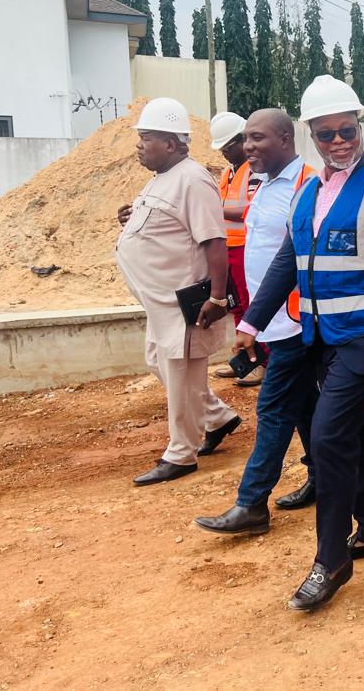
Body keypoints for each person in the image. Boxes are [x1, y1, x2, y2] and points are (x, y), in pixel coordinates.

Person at [233, 75, 364, 612]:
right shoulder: (307, 193)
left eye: (346, 131)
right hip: (321, 337)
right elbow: (288, 263)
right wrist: (252, 321)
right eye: (325, 134)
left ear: (359, 127)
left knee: (327, 438)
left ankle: (331, 558)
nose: (338, 141)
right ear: (311, 136)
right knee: (356, 433)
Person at [194, 109, 319, 535]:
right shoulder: (263, 185)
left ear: (286, 139)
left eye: (257, 139)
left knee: (273, 408)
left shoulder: (308, 186)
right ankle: (321, 477)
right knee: (303, 407)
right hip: (269, 321)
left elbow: (298, 259)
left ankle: (252, 504)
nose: (248, 147)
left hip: (296, 322)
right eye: (245, 139)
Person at [116, 98, 243, 486]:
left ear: (170, 143)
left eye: (146, 138)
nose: (139, 145)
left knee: (180, 371)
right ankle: (217, 417)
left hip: (184, 302)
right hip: (161, 305)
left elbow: (213, 241)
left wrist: (217, 298)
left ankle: (181, 453)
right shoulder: (162, 177)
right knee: (162, 365)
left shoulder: (192, 178)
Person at [211, 111, 264, 385]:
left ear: (241, 140)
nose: (223, 153)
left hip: (248, 247)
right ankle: (243, 361)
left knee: (252, 305)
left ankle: (259, 362)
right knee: (238, 307)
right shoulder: (227, 173)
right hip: (229, 247)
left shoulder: (257, 171)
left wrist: (216, 209)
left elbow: (252, 209)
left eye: (227, 147)